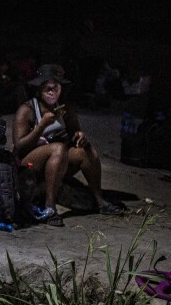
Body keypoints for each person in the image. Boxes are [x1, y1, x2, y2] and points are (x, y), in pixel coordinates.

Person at [12, 64, 123, 227]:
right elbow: (19, 145)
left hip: (56, 163)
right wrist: (42, 125)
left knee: (85, 151)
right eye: (47, 88)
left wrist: (80, 137)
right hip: (28, 165)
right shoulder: (27, 109)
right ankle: (50, 207)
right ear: (39, 90)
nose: (51, 92)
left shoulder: (65, 110)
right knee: (58, 148)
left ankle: (100, 200)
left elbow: (75, 132)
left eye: (55, 88)